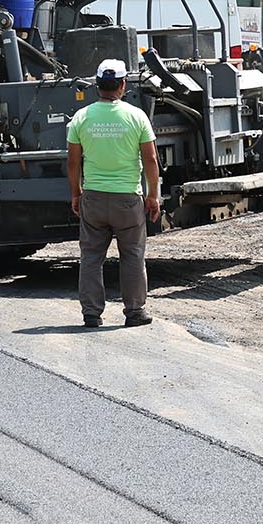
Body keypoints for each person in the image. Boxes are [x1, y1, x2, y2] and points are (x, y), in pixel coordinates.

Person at [67, 58, 161, 328]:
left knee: (91, 257)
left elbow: (73, 162)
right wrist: (153, 195)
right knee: (132, 255)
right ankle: (134, 312)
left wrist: (76, 194)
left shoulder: (81, 117)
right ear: (123, 85)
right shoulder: (136, 116)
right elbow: (151, 159)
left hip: (93, 198)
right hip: (127, 201)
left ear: (97, 86)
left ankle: (92, 314)